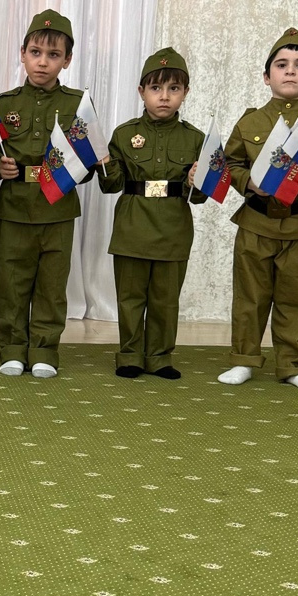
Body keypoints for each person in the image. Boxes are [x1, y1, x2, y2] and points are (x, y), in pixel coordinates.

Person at [217, 26, 298, 392]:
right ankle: (244, 359)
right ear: (267, 76)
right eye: (281, 64)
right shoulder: (250, 122)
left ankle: (294, 363)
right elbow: (230, 163)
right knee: (250, 297)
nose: (290, 71)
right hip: (256, 222)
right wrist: (249, 183)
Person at [0, 10, 92, 379]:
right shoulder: (4, 105)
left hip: (57, 208)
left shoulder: (78, 105)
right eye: (35, 52)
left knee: (52, 284)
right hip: (15, 206)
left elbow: (88, 163)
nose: (43, 62)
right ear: (22, 54)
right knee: (11, 281)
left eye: (53, 55)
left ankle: (45, 349)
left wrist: (77, 168)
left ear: (67, 60)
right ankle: (12, 348)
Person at [97, 48, 206, 379]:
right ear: (141, 91)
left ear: (185, 93)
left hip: (173, 227)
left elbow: (200, 197)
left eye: (174, 88)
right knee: (130, 297)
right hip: (133, 225)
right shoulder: (124, 134)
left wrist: (196, 181)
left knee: (165, 299)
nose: (164, 96)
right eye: (156, 88)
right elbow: (111, 185)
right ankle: (130, 354)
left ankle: (160, 356)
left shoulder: (195, 138)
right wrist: (103, 163)